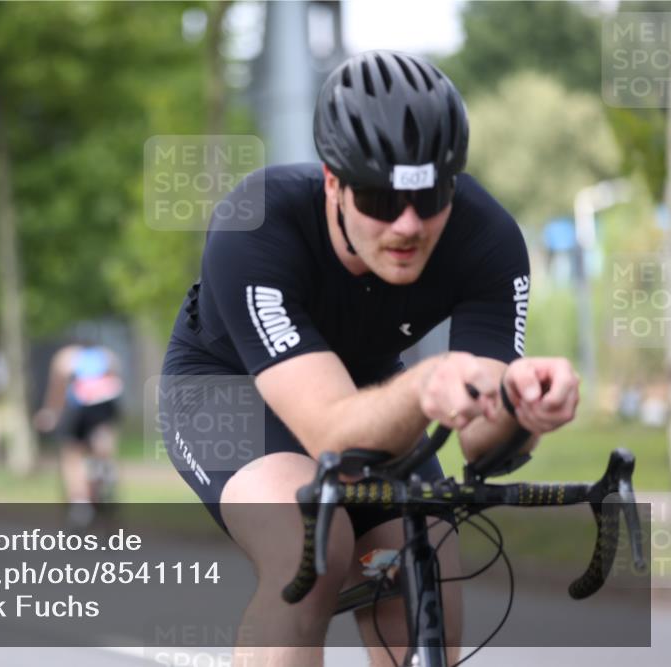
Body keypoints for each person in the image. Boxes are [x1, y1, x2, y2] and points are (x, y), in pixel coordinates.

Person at [159, 51, 580, 667]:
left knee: (420, 567)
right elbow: (330, 431)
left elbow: (485, 450)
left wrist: (522, 404)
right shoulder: (257, 223)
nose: (407, 225)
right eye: (382, 201)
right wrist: (428, 384)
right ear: (334, 181)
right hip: (228, 390)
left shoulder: (485, 238)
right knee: (312, 545)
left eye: (430, 195)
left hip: (373, 385)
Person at [35, 340, 123, 527]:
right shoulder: (106, 355)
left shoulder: (65, 357)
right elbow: (116, 385)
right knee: (103, 448)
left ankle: (80, 503)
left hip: (80, 409)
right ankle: (105, 477)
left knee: (72, 455)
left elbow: (57, 391)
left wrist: (51, 412)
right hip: (104, 408)